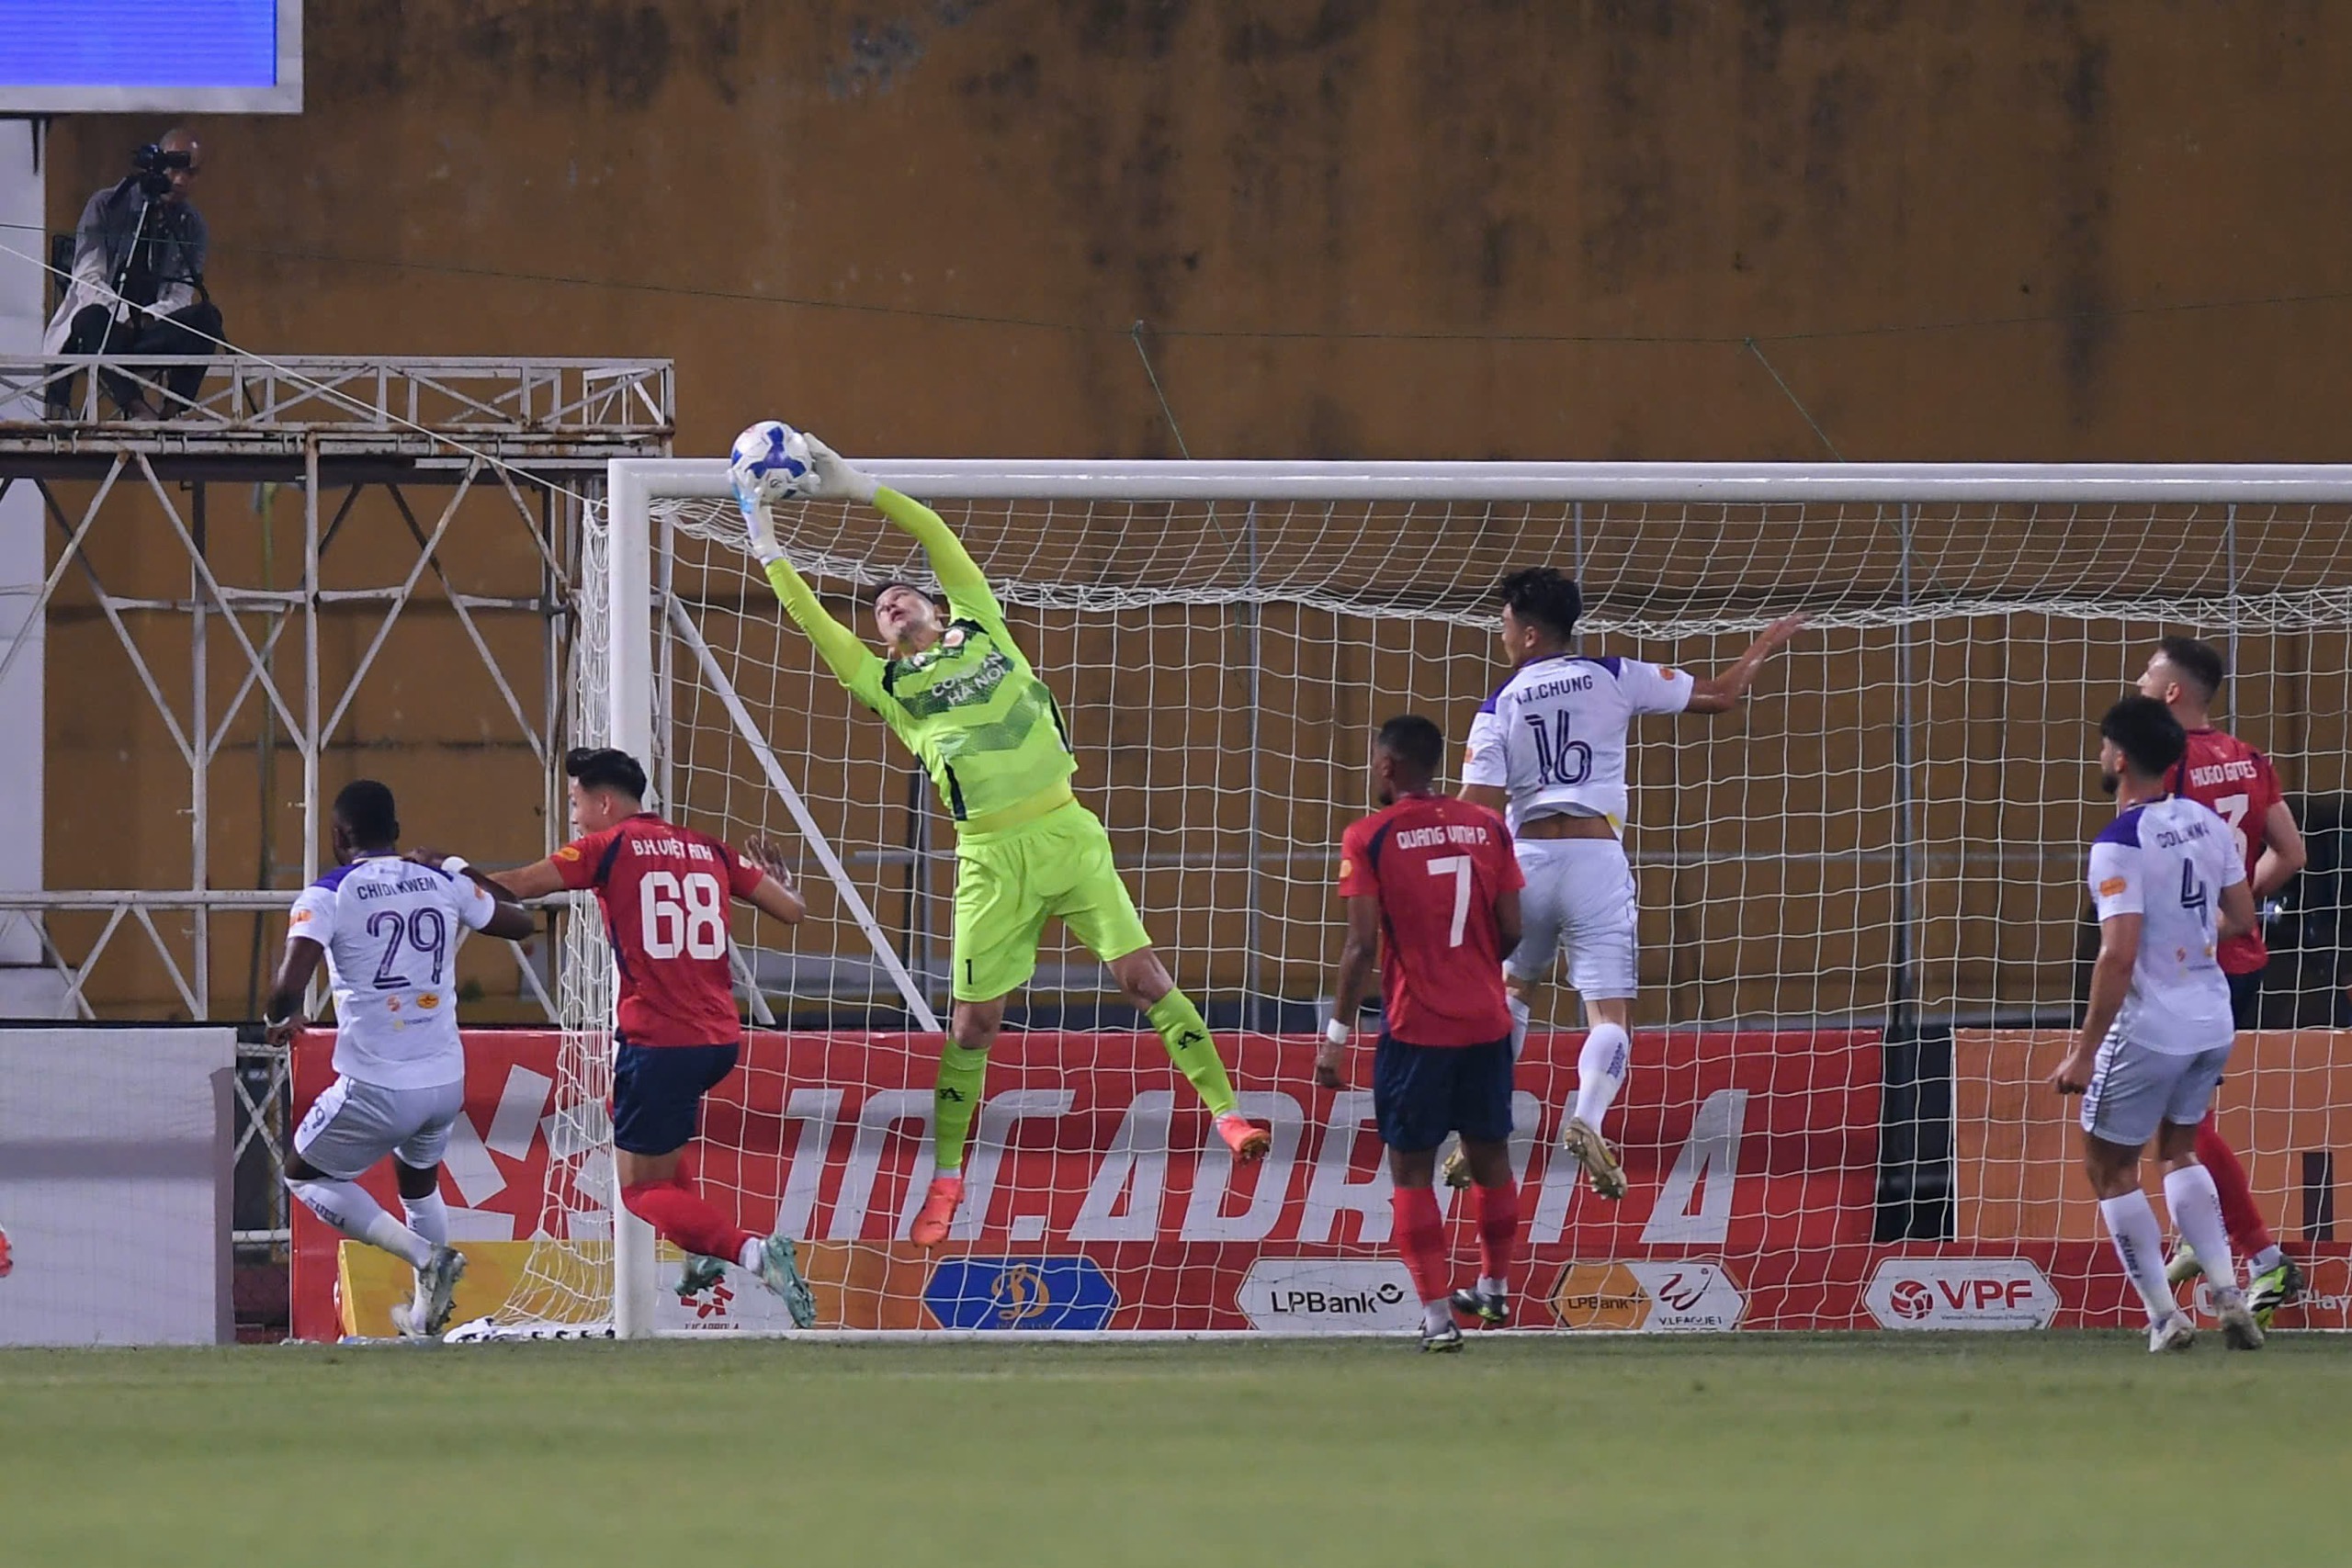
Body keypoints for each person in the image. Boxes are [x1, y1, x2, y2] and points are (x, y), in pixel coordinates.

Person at [738, 434, 1272, 1247]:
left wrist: (861, 487)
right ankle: (948, 1179)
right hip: (989, 857)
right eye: (879, 606)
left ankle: (1229, 1115)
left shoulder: (983, 624)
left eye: (903, 594)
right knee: (975, 1025)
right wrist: (765, 541)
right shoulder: (884, 684)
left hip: (1068, 831)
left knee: (1142, 975)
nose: (890, 601)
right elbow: (810, 618)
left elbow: (938, 539)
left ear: (939, 608)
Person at [1454, 566, 1804, 1197]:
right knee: (1609, 1016)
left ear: (1530, 634)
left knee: (1511, 993)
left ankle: (1481, 1123)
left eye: (1504, 622)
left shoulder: (1498, 704)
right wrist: (1764, 645)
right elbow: (1722, 695)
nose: (1501, 632)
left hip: (1525, 861)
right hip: (1596, 859)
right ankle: (1587, 1118)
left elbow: (1476, 807)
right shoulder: (1615, 675)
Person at [492, 748, 818, 1321]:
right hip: (717, 1039)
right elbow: (792, 912)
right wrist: (782, 880)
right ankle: (699, 1251)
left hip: (660, 1042)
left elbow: (520, 884)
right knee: (639, 1127)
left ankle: (752, 1252)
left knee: (640, 1192)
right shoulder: (706, 846)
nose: (574, 818)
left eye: (575, 804)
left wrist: (441, 885)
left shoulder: (607, 846)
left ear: (605, 802)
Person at [265, 780, 537, 1338]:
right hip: (445, 1079)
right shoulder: (441, 881)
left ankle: (424, 1256)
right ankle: (425, 1315)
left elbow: (287, 985)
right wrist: (457, 866)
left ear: (339, 837)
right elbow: (519, 921)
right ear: (396, 833)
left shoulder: (328, 893)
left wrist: (277, 1020)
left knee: (302, 1175)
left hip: (377, 1083)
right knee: (419, 1185)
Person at [2048, 696, 2264, 1353]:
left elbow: (2116, 955)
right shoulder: (2204, 821)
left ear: (2119, 756)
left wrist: (2084, 1053)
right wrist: (2193, 939)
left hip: (2153, 1023)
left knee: (2109, 1166)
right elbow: (2244, 913)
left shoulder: (2118, 843)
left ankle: (2165, 1316)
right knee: (2179, 1149)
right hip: (2211, 1014)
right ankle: (2228, 1293)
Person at [1317, 716, 1525, 1352]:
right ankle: (1493, 1285)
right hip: (1487, 1021)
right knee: (1491, 1155)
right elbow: (1514, 926)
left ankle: (1437, 1318)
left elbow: (1360, 945)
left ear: (1386, 766)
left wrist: (1336, 1034)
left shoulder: (1369, 836)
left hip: (1418, 1029)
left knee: (1412, 1169)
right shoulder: (1488, 826)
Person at [2134, 637, 2309, 1325]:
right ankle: (2200, 1233)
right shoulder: (2247, 756)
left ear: (2172, 691)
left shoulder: (2166, 764)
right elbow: (2290, 852)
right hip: (2235, 961)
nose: (2139, 680)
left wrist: (2189, 925)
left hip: (2184, 966)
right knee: (2182, 1123)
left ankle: (2266, 1262)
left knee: (2175, 1129)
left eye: (2148, 672)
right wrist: (2228, 917)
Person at [41, 129, 222, 420]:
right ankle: (138, 409)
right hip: (105, 329)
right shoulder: (106, 205)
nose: (180, 180)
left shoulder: (192, 224)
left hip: (151, 328)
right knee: (90, 317)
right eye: (175, 168)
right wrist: (124, 316)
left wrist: (148, 318)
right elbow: (87, 280)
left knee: (207, 317)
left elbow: (181, 294)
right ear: (156, 162)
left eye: (191, 172)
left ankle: (172, 412)